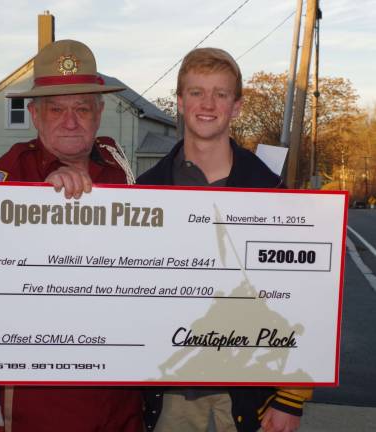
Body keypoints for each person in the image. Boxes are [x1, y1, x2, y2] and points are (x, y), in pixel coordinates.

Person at [136, 48, 312, 432]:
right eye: (197, 92)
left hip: (251, 389)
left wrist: (291, 397)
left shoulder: (272, 191)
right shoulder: (147, 191)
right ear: (180, 102)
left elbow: (300, 292)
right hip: (172, 393)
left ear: (236, 106)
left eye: (221, 93)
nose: (208, 104)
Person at [0, 39, 141, 432]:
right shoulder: (10, 173)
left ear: (99, 113)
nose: (70, 121)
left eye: (82, 108)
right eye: (56, 108)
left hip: (121, 381)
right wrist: (41, 207)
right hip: (48, 386)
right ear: (35, 115)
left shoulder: (117, 165)